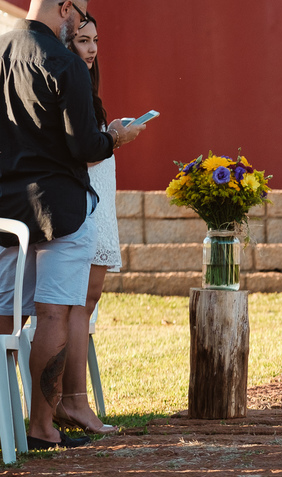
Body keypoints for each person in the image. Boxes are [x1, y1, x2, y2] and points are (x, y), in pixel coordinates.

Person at [0, 0, 142, 450]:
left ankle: (6, 424)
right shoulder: (65, 63)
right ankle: (41, 427)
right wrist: (117, 137)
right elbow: (85, 146)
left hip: (5, 210)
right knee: (53, 312)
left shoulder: (1, 50)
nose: (82, 22)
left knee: (5, 318)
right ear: (65, 9)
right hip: (60, 209)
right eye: (81, 14)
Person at [59, 13, 126, 434]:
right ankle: (73, 402)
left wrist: (113, 131)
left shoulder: (86, 87)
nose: (92, 48)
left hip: (100, 202)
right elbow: (79, 151)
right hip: (85, 204)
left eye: (95, 40)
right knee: (80, 303)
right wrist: (116, 138)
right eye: (83, 41)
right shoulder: (68, 81)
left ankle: (71, 401)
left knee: (88, 301)